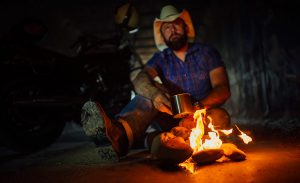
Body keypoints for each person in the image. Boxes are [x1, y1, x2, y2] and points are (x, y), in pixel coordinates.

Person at [81, 4, 231, 163]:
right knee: (148, 92)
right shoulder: (160, 59)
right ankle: (119, 135)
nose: (172, 30)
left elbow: (222, 89)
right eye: (166, 27)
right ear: (162, 34)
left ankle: (148, 140)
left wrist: (197, 109)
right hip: (170, 116)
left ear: (185, 27)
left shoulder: (206, 52)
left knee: (221, 117)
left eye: (176, 24)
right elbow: (140, 79)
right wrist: (155, 95)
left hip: (202, 114)